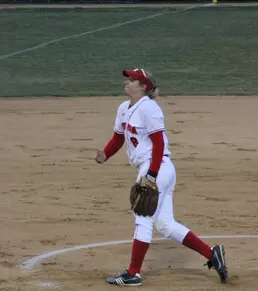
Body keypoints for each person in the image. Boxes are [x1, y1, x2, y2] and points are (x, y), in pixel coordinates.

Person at [95, 68, 228, 286]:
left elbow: (158, 144)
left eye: (133, 80)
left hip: (157, 167)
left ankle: (133, 273)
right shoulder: (124, 108)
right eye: (127, 79)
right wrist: (105, 154)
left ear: (144, 86)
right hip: (157, 169)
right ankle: (212, 253)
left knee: (143, 218)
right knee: (165, 224)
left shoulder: (149, 108)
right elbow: (118, 138)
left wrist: (151, 175)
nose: (127, 82)